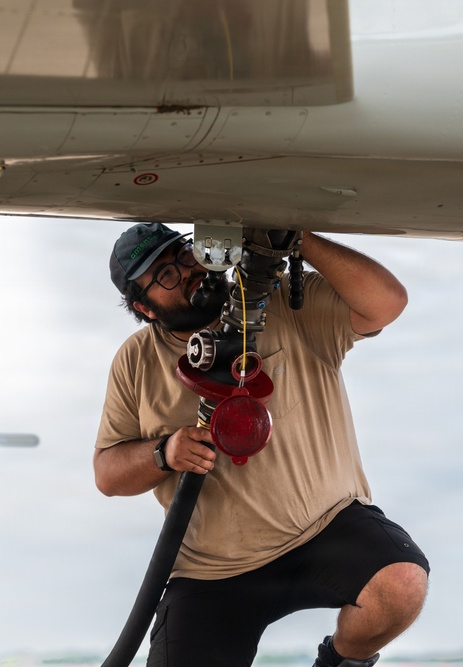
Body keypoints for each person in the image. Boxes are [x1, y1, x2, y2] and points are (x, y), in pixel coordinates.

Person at [95, 222, 430, 667]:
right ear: (145, 307)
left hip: (322, 526)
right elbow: (108, 474)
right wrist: (164, 452)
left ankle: (340, 663)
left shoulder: (286, 304)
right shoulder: (135, 359)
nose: (187, 272)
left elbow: (387, 303)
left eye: (185, 256)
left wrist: (297, 238)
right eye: (166, 276)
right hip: (211, 568)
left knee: (400, 584)